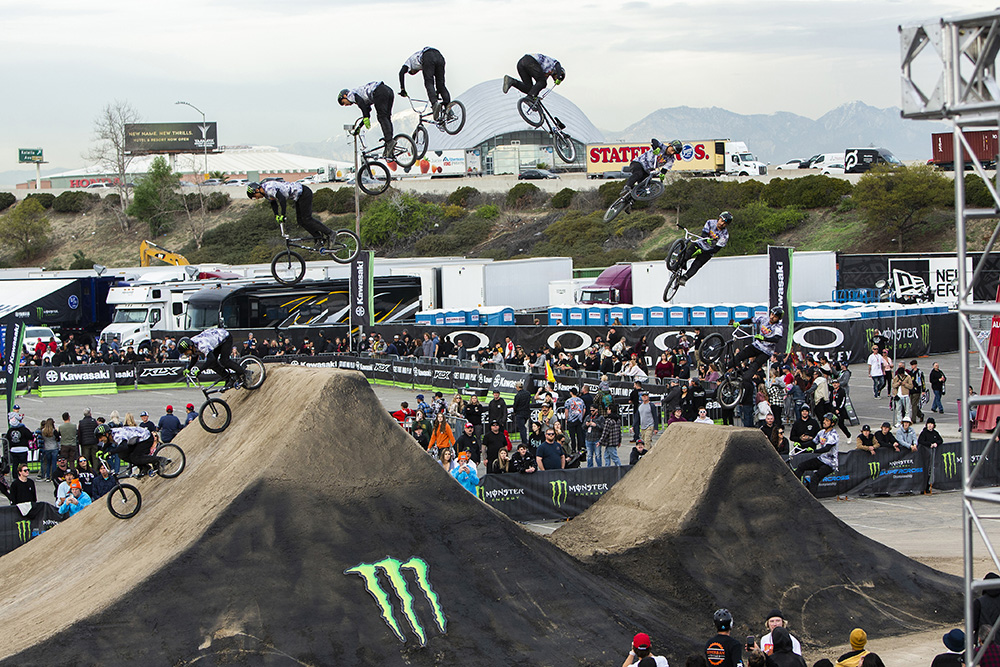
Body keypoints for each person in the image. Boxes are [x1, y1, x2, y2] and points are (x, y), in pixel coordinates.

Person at [247, 180, 334, 246]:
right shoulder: (265, 193)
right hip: (298, 197)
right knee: (300, 221)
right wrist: (276, 215)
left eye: (255, 196)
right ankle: (319, 238)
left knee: (307, 219)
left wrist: (283, 215)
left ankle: (330, 233)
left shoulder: (269, 189)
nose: (257, 198)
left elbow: (282, 200)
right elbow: (274, 203)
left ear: (257, 190)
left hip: (304, 193)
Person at [338, 81, 397, 157]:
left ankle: (389, 142)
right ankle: (390, 141)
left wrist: (365, 116)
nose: (346, 105)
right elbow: (367, 113)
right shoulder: (362, 96)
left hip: (379, 91)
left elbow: (361, 103)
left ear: (345, 96)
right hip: (388, 91)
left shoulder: (351, 95)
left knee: (381, 117)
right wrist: (359, 127)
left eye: (344, 102)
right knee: (386, 117)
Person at [178, 327, 246, 389]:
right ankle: (228, 378)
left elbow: (211, 359)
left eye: (186, 352)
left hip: (225, 337)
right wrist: (188, 368)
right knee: (212, 364)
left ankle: (242, 373)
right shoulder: (192, 345)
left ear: (190, 347)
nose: (186, 354)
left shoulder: (202, 345)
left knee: (224, 360)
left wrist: (200, 370)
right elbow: (194, 358)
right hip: (215, 342)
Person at [732, 307, 784, 383]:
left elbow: (776, 339)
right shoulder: (764, 319)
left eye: (775, 317)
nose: (772, 317)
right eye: (772, 314)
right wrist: (739, 323)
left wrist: (764, 338)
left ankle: (745, 379)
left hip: (766, 351)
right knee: (740, 355)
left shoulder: (778, 327)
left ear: (778, 319)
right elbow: (751, 320)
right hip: (757, 345)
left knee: (755, 365)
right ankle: (726, 368)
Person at [793, 413, 839, 496]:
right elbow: (812, 442)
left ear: (832, 424)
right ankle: (795, 489)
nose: (824, 422)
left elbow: (826, 449)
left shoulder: (833, 435)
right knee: (801, 466)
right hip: (822, 459)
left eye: (827, 421)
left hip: (830, 463)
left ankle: (812, 499)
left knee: (815, 478)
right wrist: (800, 444)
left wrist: (814, 451)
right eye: (824, 420)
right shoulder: (821, 432)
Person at [398, 47, 450, 119]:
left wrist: (402, 89)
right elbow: (436, 76)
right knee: (441, 84)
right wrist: (437, 92)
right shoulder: (418, 58)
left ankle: (434, 104)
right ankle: (449, 108)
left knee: (429, 82)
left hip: (428, 56)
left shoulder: (409, 63)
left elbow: (401, 73)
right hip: (439, 56)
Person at [681, 212, 732, 284]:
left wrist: (706, 251)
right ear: (719, 218)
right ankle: (678, 262)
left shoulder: (725, 235)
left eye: (725, 223)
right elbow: (704, 233)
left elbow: (717, 249)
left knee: (696, 265)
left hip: (708, 251)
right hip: (700, 243)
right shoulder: (710, 222)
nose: (722, 224)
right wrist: (706, 239)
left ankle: (684, 278)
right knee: (687, 255)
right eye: (722, 221)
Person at [95, 424, 163, 478]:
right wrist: (101, 451)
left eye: (100, 438)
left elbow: (123, 447)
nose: (100, 440)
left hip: (145, 438)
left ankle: (159, 460)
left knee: (135, 457)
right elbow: (107, 443)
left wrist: (110, 453)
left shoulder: (117, 435)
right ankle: (145, 467)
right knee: (122, 455)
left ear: (106, 434)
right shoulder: (110, 435)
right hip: (135, 441)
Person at [919, 417, 944, 494]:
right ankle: (923, 487)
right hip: (925, 454)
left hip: (932, 455)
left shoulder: (935, 433)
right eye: (929, 424)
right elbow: (920, 441)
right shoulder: (924, 433)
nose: (930, 426)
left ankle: (928, 487)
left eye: (931, 424)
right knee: (926, 470)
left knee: (931, 471)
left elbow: (940, 440)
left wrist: (936, 443)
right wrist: (929, 444)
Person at [565, 387, 587, 454]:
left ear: (571, 393)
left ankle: (573, 449)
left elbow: (566, 410)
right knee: (579, 434)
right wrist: (581, 416)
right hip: (579, 420)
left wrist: (566, 418)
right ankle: (580, 448)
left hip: (571, 420)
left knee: (572, 435)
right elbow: (584, 409)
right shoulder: (581, 400)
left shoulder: (568, 401)